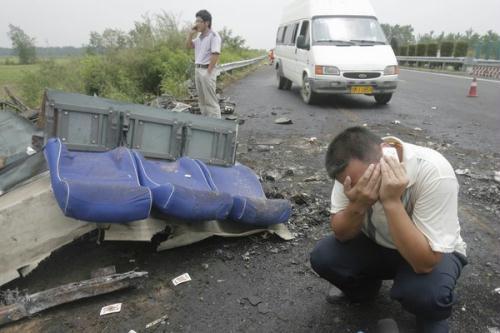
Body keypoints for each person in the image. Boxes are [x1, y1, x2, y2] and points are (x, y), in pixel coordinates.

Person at [310, 126, 467, 333]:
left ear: (387, 151)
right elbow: (342, 233)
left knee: (426, 294)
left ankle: (430, 315)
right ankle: (365, 290)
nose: (364, 187)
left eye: (369, 179)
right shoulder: (351, 173)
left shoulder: (434, 171)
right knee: (324, 257)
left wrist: (391, 201)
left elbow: (425, 264)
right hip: (378, 243)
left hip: (430, 252)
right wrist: (358, 204)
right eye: (355, 184)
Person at [186, 9, 222, 118]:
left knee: (210, 102)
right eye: (196, 21)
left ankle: (217, 127)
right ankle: (206, 126)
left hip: (207, 70)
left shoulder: (214, 36)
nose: (196, 24)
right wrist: (190, 35)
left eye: (198, 21)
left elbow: (215, 54)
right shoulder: (199, 37)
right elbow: (188, 46)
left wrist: (208, 72)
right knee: (202, 102)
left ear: (206, 23)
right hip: (198, 70)